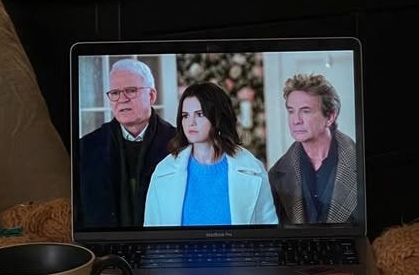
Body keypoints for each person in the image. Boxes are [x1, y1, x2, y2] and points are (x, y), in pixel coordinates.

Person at [144, 81, 278, 226]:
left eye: (199, 114)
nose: (191, 122)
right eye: (185, 116)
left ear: (218, 117)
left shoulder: (253, 169)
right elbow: (152, 234)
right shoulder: (164, 172)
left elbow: (267, 232)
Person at [79, 59, 176, 228]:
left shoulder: (180, 144)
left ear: (151, 96)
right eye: (115, 93)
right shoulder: (87, 147)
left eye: (131, 91)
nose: (121, 99)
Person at [268, 73, 357, 224]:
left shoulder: (360, 163)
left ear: (330, 117)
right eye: (291, 111)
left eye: (305, 111)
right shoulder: (276, 175)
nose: (296, 120)